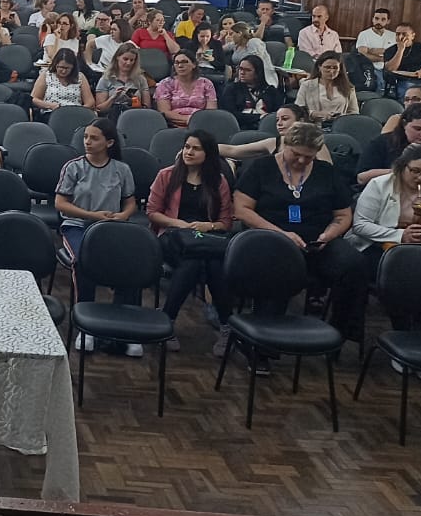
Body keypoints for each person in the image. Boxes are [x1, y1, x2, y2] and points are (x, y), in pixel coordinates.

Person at [233, 121, 365, 334]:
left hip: (317, 240)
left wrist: (328, 235)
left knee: (354, 265)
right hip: (272, 237)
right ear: (285, 145)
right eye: (296, 154)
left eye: (309, 157)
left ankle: (339, 331)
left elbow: (342, 215)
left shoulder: (326, 172)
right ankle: (266, 335)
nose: (302, 160)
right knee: (279, 266)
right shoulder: (262, 168)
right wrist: (281, 234)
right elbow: (242, 210)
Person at [55, 119, 138, 352]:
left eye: (94, 138)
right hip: (78, 226)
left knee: (132, 263)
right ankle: (85, 326)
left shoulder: (122, 169)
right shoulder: (73, 167)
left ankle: (126, 330)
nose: (87, 142)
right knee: (84, 261)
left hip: (111, 228)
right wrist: (92, 214)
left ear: (109, 143)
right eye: (85, 137)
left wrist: (123, 216)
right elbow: (61, 204)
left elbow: (130, 203)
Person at [147, 130, 233, 354]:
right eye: (187, 147)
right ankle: (172, 322)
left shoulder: (218, 181)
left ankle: (223, 327)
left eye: (196, 148)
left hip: (205, 238)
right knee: (196, 262)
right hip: (172, 236)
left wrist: (208, 226)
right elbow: (153, 212)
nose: (189, 152)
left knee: (210, 264)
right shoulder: (167, 175)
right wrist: (179, 224)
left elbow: (225, 221)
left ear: (208, 153)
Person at [350, 140, 421, 297]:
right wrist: (401, 236)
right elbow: (360, 225)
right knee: (405, 270)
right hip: (378, 244)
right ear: (402, 166)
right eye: (415, 171)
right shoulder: (379, 185)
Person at [220, 103, 333, 165]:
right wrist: (204, 145)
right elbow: (232, 150)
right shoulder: (273, 142)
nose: (279, 123)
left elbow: (327, 171)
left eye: (284, 119)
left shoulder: (315, 143)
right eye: (277, 120)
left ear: (301, 120)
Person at [155, 50, 217, 128]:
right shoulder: (165, 84)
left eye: (184, 62)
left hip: (201, 125)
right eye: (177, 63)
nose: (180, 65)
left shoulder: (206, 83)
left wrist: (197, 122)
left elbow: (211, 111)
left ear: (194, 64)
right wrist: (188, 119)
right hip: (173, 126)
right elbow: (164, 112)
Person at [219, 57, 283, 131]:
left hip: (265, 130)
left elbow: (277, 113)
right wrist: (259, 117)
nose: (242, 72)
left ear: (257, 73)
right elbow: (230, 114)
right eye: (240, 69)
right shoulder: (232, 89)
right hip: (239, 129)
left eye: (247, 70)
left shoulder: (271, 91)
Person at [295, 51, 357, 122]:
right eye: (327, 67)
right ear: (319, 67)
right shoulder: (307, 85)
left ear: (340, 69)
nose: (331, 71)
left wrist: (342, 117)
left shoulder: (348, 88)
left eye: (335, 68)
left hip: (340, 126)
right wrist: (314, 114)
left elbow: (354, 113)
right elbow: (298, 110)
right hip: (313, 126)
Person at [31, 49, 93, 116]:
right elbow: (34, 99)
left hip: (75, 114)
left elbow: (90, 102)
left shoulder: (80, 77)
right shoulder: (46, 75)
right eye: (61, 67)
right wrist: (50, 105)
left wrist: (78, 110)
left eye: (67, 68)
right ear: (55, 65)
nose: (63, 71)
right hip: (52, 113)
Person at [93, 43, 151, 113]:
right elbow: (99, 109)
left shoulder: (140, 79)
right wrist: (113, 97)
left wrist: (133, 100)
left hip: (135, 114)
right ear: (117, 57)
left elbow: (147, 107)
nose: (128, 63)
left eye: (132, 60)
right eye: (125, 59)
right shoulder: (106, 79)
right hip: (112, 115)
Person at [355, 6, 393, 78]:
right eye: (376, 18)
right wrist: (385, 58)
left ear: (388, 21)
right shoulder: (364, 34)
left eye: (383, 19)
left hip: (389, 71)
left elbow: (395, 54)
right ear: (373, 19)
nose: (379, 22)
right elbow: (362, 55)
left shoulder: (393, 35)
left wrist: (371, 51)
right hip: (370, 69)